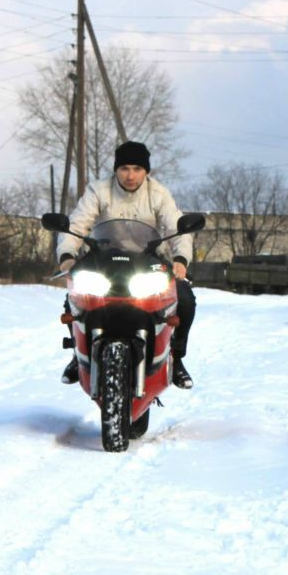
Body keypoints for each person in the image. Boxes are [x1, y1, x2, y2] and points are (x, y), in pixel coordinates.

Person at [57, 140, 197, 389]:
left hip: (148, 262)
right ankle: (79, 355)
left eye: (136, 168)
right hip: (103, 260)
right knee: (76, 295)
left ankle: (176, 357)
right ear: (116, 169)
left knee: (184, 298)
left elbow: (177, 227)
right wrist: (67, 253)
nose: (130, 175)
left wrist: (180, 259)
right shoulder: (98, 191)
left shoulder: (159, 194)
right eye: (124, 168)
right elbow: (77, 223)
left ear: (146, 171)